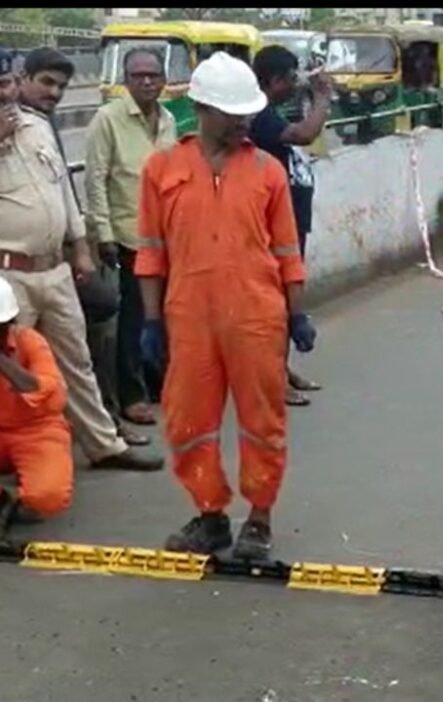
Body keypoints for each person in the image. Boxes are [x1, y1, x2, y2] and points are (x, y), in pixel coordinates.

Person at [136, 52, 315, 560]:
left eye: (247, 114)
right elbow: (150, 252)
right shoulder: (162, 169)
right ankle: (210, 515)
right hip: (188, 317)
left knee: (263, 422)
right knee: (189, 421)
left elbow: (287, 252)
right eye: (232, 114)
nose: (243, 123)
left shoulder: (266, 171)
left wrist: (295, 311)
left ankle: (258, 519)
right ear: (201, 108)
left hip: (258, 317)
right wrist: (152, 322)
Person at [0, 47, 161, 473]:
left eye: (7, 84)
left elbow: (62, 192)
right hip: (8, 276)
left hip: (55, 269)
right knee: (10, 372)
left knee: (77, 362)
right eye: (46, 83)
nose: (53, 93)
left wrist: (82, 246)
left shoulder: (35, 126)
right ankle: (16, 462)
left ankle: (104, 444)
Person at [84, 47, 176, 431]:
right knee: (134, 321)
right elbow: (96, 180)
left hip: (167, 237)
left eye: (153, 75)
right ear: (125, 80)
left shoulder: (169, 120)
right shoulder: (108, 119)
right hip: (126, 237)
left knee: (165, 316)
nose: (146, 81)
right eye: (138, 75)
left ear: (163, 79)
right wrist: (103, 235)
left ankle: (159, 386)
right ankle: (132, 396)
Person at [248, 45, 331, 408]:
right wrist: (323, 98)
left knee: (286, 299)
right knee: (277, 303)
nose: (295, 83)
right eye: (291, 77)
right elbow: (303, 135)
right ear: (276, 80)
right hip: (274, 224)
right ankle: (273, 379)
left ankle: (282, 369)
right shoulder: (258, 115)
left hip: (291, 218)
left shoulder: (268, 111)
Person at [0, 276, 72, 536]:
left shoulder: (30, 341)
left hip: (37, 430)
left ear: (10, 323)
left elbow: (37, 388)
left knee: (46, 498)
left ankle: (23, 493)